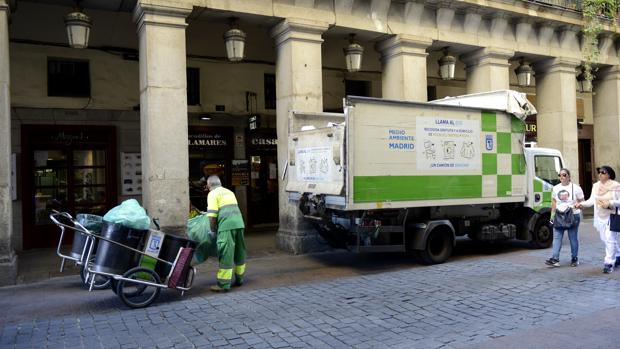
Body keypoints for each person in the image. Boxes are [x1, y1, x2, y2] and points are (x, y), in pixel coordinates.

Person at [576, 165, 620, 273]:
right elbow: (591, 200)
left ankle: (609, 263)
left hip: (612, 216)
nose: (600, 174)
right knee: (605, 239)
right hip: (600, 217)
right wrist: (581, 204)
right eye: (599, 172)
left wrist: (610, 203)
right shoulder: (595, 186)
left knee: (610, 239)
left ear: (609, 174)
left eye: (603, 172)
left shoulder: (616, 186)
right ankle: (618, 255)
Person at [206, 175, 246, 292]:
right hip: (239, 224)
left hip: (226, 226)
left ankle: (223, 284)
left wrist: (212, 230)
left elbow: (212, 216)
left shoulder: (212, 194)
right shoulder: (229, 192)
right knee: (240, 251)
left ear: (209, 185)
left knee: (226, 252)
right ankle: (239, 279)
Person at [545, 168, 584, 267]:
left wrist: (578, 205)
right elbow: (554, 202)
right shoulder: (555, 188)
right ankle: (555, 259)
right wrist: (552, 216)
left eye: (564, 175)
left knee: (573, 238)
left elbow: (582, 201)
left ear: (569, 176)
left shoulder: (576, 188)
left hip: (573, 215)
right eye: (560, 175)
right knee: (557, 237)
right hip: (559, 215)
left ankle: (574, 259)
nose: (562, 177)